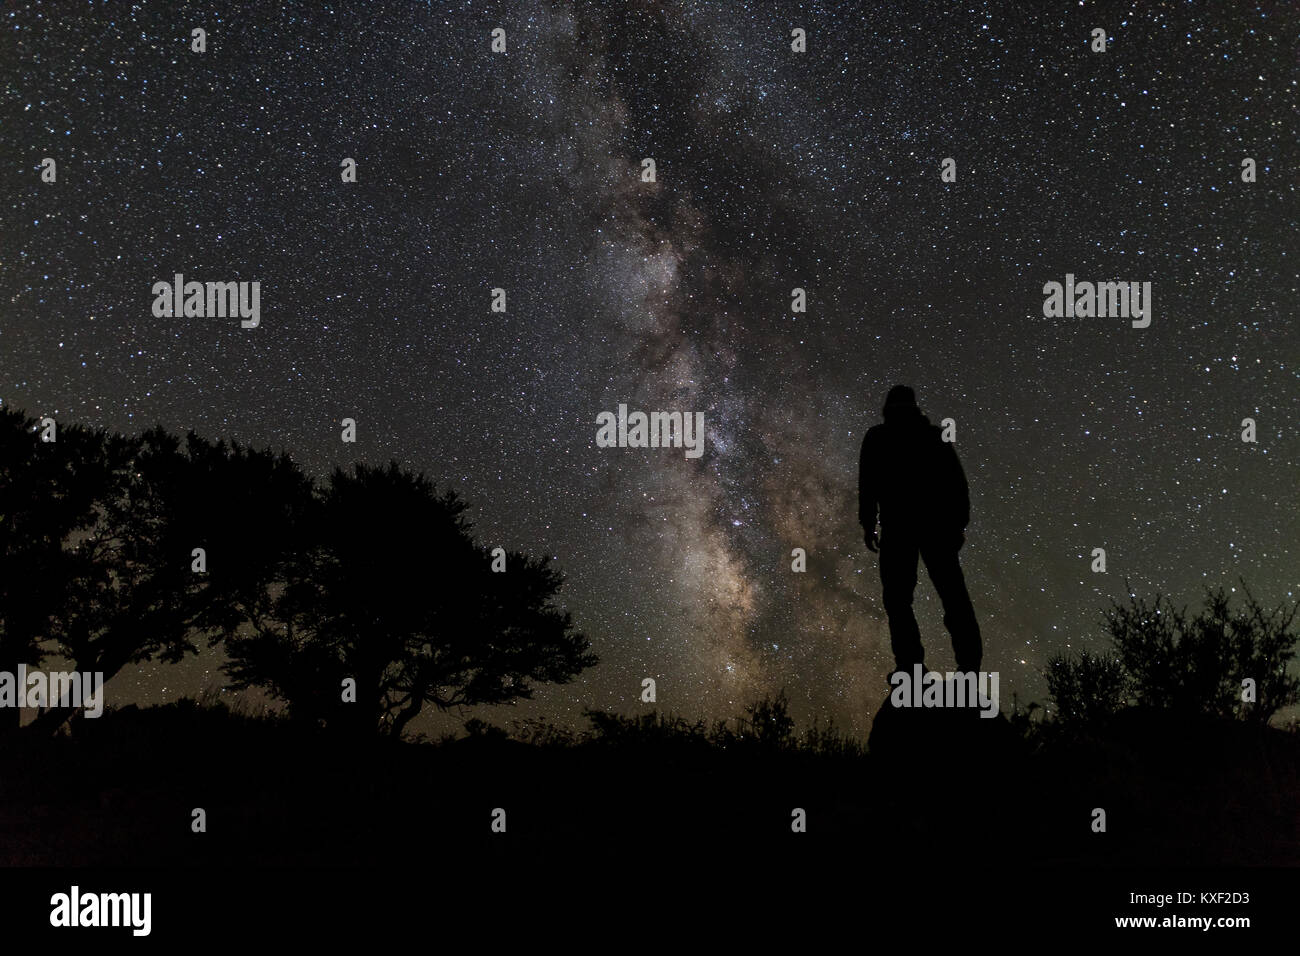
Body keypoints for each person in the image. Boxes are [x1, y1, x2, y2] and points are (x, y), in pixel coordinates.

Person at [859, 385, 982, 675]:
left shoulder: (879, 437)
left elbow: (868, 485)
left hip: (905, 528)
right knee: (951, 598)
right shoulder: (934, 436)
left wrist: (868, 523)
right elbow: (958, 484)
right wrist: (958, 525)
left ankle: (912, 666)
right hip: (934, 528)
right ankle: (966, 668)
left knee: (901, 600)